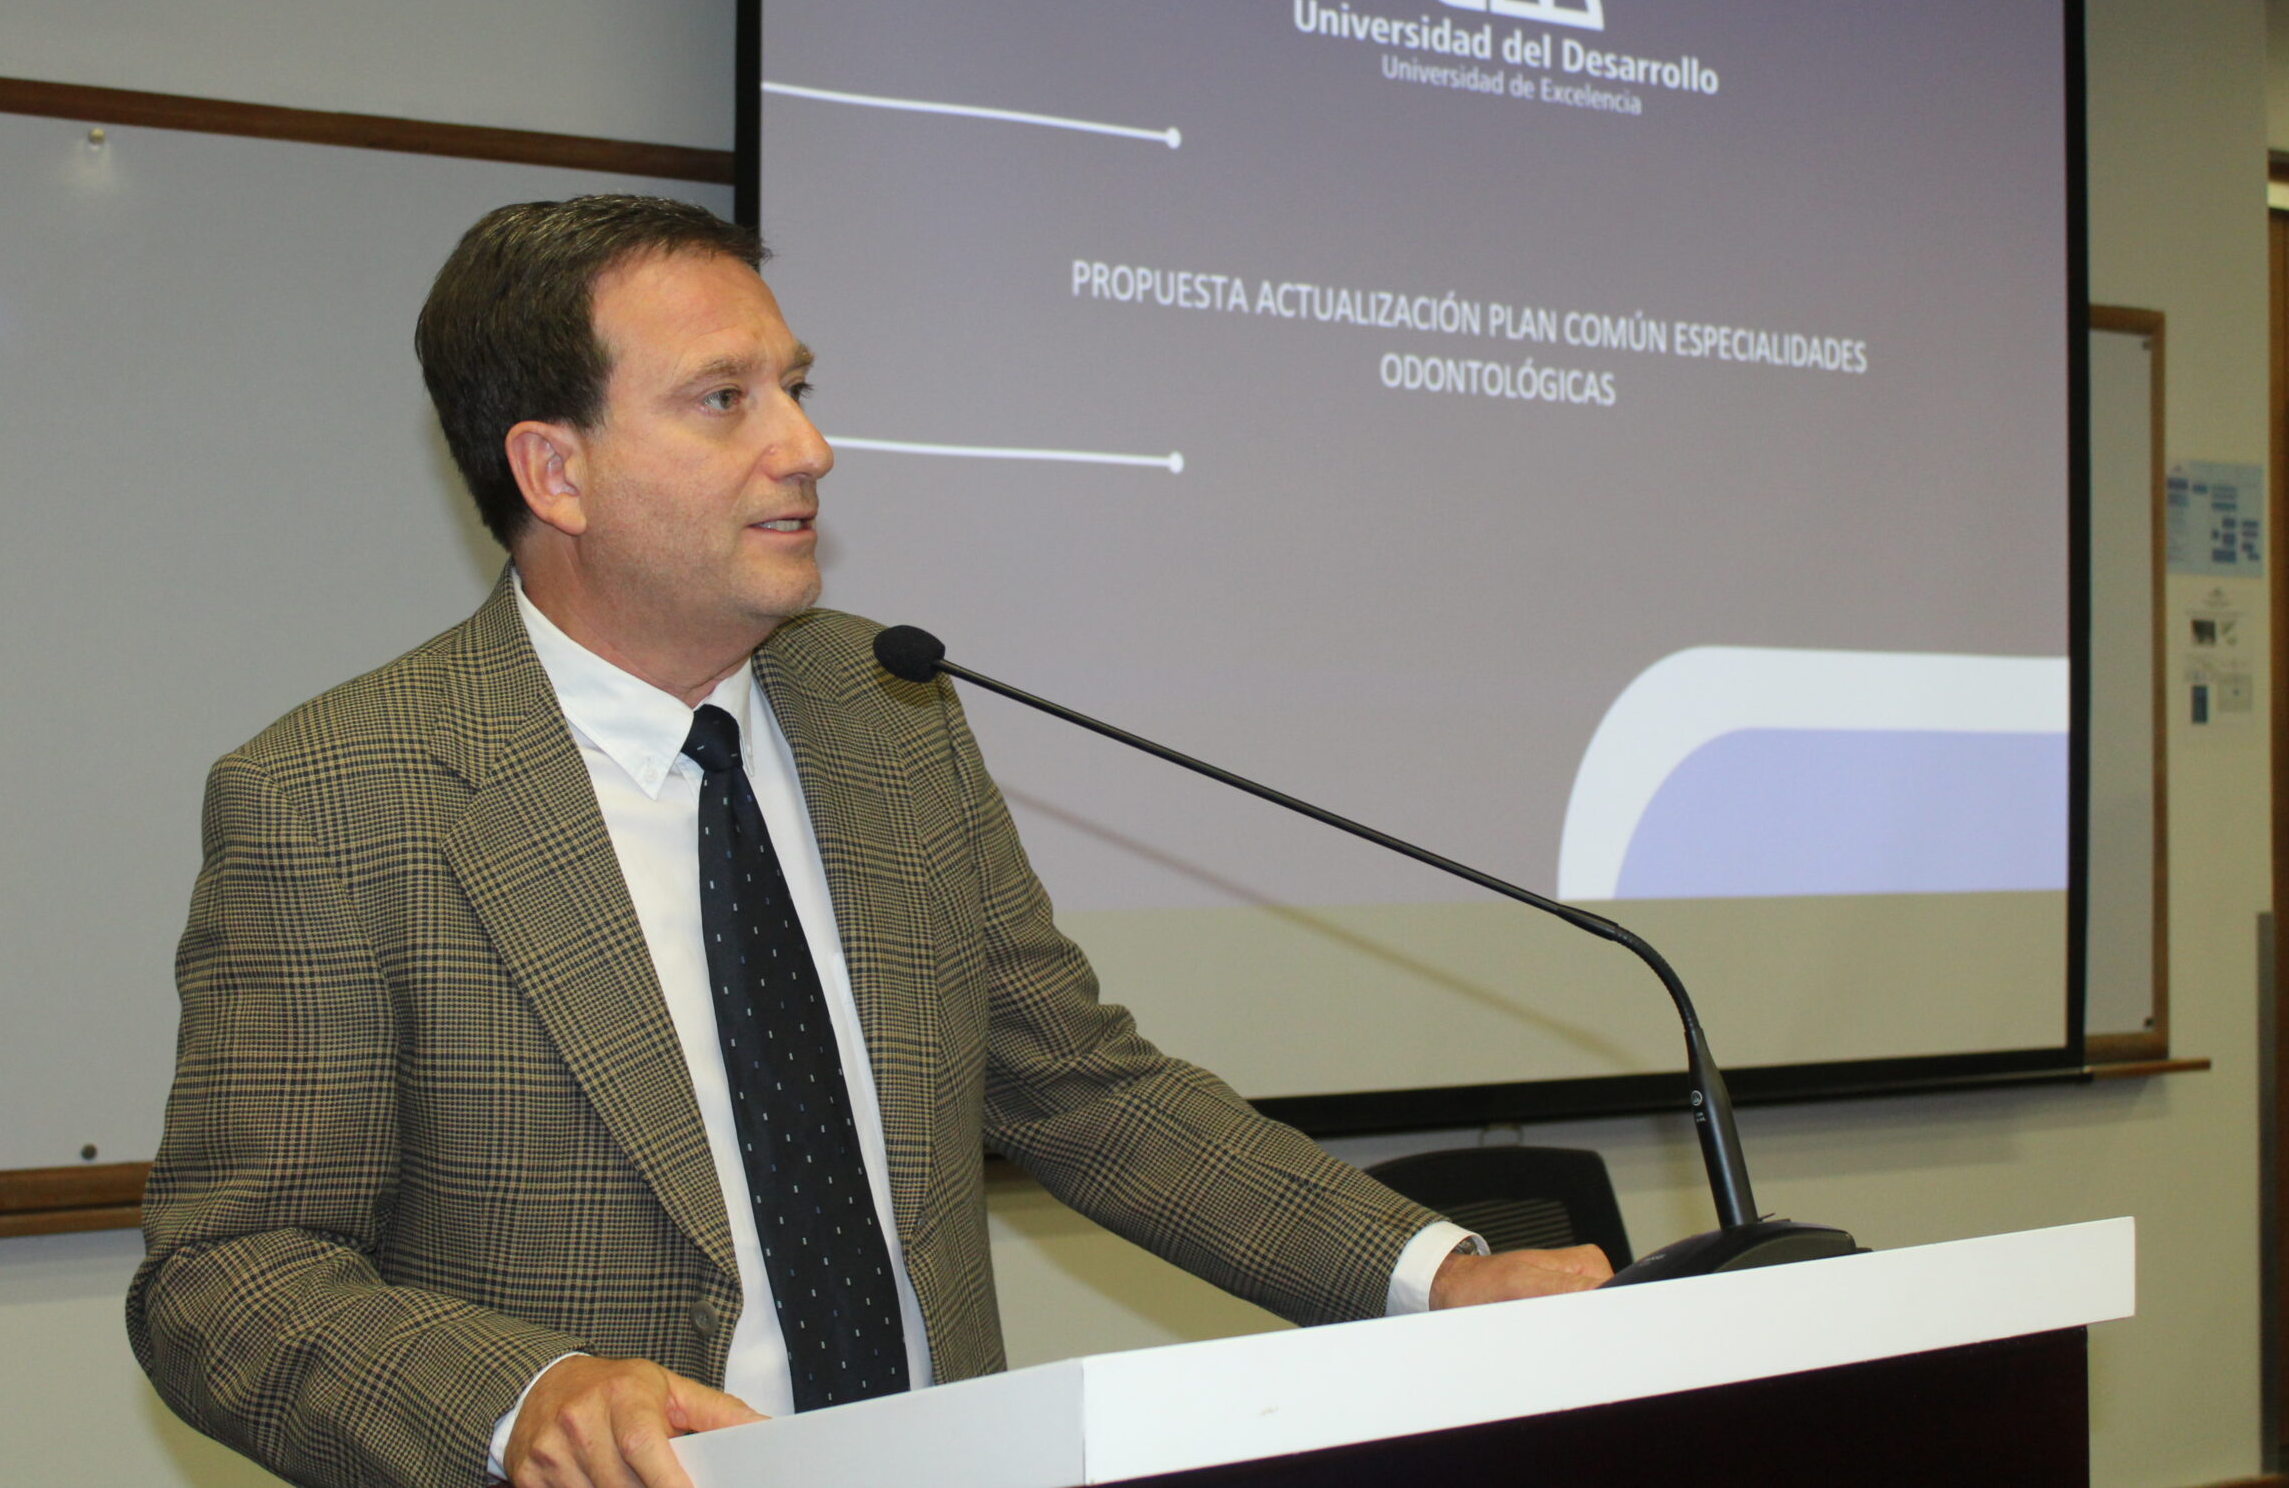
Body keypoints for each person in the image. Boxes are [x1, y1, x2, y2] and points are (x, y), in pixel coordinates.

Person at [128, 195, 1607, 1488]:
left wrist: (1435, 1277)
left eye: (796, 387)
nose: (808, 448)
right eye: (725, 400)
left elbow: (1083, 1089)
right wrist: (525, 1400)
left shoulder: (883, 708)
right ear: (555, 471)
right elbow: (226, 1277)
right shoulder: (338, 799)